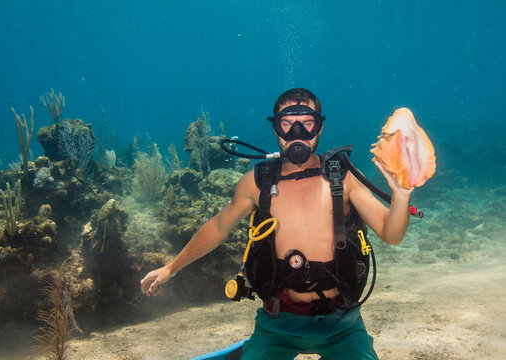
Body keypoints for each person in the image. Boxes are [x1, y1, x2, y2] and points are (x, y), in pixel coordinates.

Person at [141, 88, 413, 359]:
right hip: (278, 322)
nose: (297, 133)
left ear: (319, 128)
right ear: (276, 129)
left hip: (342, 322)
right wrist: (171, 267)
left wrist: (401, 194)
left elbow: (392, 234)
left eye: (307, 123)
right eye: (287, 124)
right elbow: (218, 227)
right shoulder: (257, 181)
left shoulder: (343, 177)